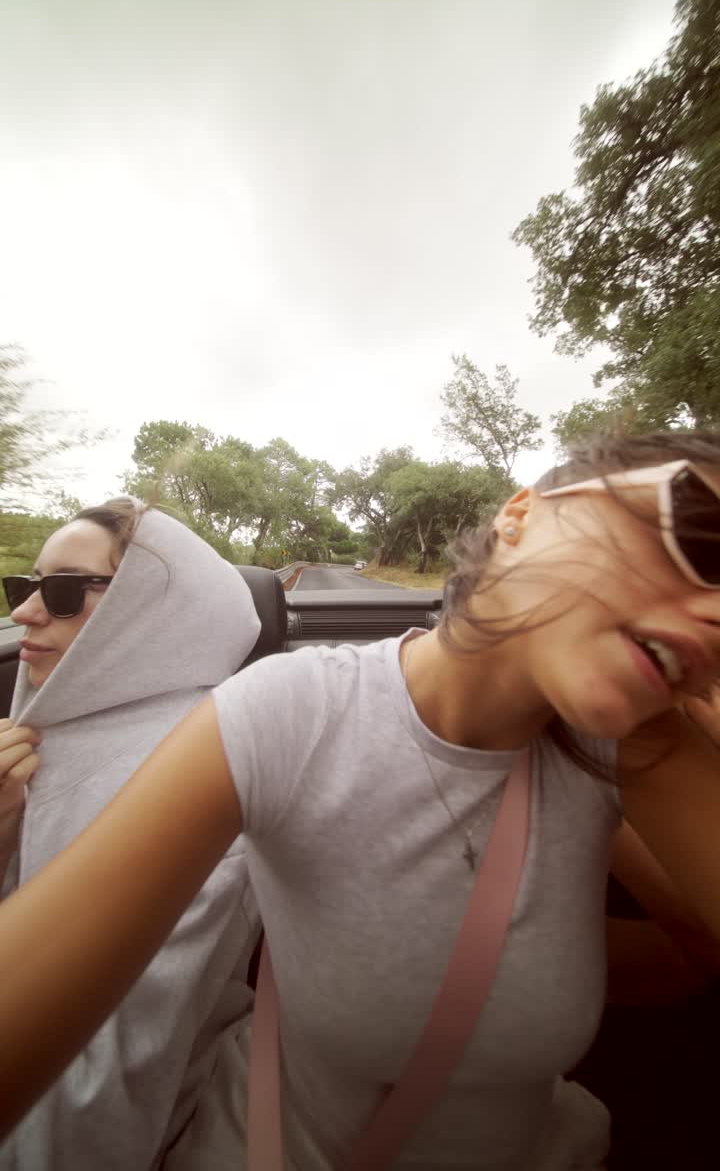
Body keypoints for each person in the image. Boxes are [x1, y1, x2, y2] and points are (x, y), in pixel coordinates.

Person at [2, 431, 720, 1170]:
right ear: (521, 515)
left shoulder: (630, 748)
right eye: (700, 537)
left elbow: (691, 956)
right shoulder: (292, 711)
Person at [0, 497, 263, 1171]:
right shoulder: (47, 736)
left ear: (149, 613)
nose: (24, 612)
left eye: (61, 591)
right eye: (22, 585)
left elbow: (99, 1095)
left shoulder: (195, 791)